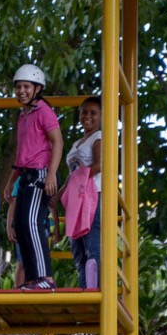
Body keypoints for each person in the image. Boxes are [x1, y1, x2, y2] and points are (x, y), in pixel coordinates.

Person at [2, 64, 63, 290]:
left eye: (26, 86)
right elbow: (22, 153)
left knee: (32, 223)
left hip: (40, 174)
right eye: (18, 87)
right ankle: (31, 278)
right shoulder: (23, 115)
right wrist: (11, 180)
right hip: (25, 174)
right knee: (20, 225)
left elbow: (57, 141)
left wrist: (52, 174)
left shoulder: (44, 111)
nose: (21, 91)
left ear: (37, 88)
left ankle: (45, 277)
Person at [61, 96, 102, 288]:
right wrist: (60, 192)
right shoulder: (77, 142)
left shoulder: (98, 137)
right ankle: (85, 288)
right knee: (77, 248)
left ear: (101, 117)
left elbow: (100, 164)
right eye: (84, 112)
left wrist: (80, 177)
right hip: (76, 199)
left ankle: (97, 292)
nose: (87, 116)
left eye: (93, 113)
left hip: (92, 196)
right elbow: (72, 174)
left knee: (92, 245)